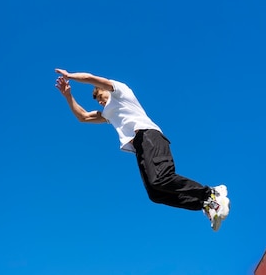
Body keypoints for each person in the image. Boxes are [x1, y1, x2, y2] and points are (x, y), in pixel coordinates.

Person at [54, 68, 230, 231]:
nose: (100, 101)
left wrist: (70, 76)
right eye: (98, 101)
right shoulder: (108, 113)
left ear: (106, 89)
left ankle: (211, 193)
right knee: (155, 194)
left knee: (162, 178)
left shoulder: (120, 92)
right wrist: (68, 95)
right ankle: (206, 204)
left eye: (100, 95)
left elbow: (91, 78)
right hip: (139, 147)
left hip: (148, 135)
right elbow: (83, 117)